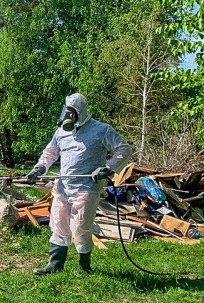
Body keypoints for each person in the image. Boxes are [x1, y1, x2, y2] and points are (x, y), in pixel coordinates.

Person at [26, 93, 131, 275]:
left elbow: (124, 149)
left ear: (79, 112)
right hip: (63, 186)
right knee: (58, 223)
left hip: (87, 187)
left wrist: (107, 168)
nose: (67, 116)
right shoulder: (61, 132)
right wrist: (39, 168)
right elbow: (50, 153)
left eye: (70, 113)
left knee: (80, 226)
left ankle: (84, 267)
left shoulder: (101, 130)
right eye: (65, 112)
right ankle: (55, 265)